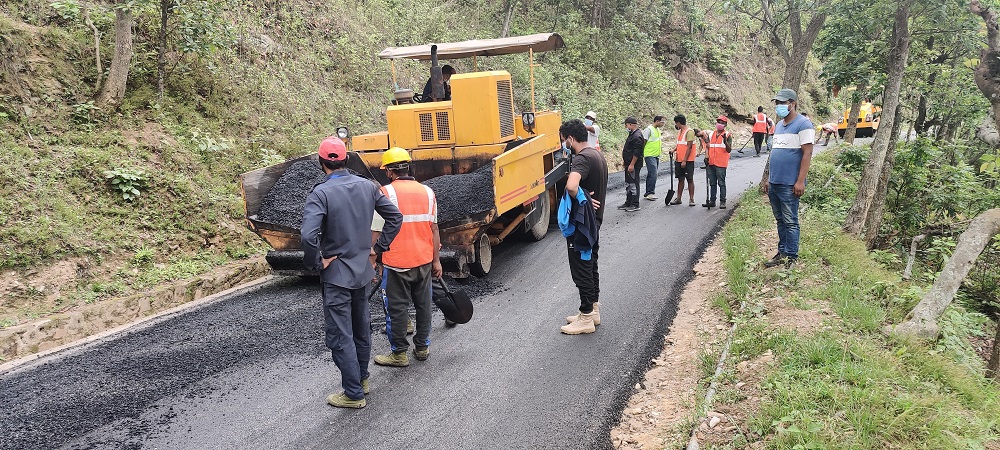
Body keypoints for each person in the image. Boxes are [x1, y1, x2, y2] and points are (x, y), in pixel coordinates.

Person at [301, 137, 403, 409]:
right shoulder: (368, 186)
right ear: (346, 159)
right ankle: (363, 379)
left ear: (322, 163)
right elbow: (395, 217)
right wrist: (377, 248)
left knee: (340, 333)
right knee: (361, 328)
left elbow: (308, 235)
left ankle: (353, 393)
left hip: (336, 276)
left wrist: (316, 264)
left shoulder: (320, 194)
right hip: (362, 272)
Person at [370, 147, 443, 368]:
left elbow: (376, 231)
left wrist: (373, 260)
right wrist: (436, 260)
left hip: (396, 262)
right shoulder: (428, 192)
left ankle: (399, 354)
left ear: (390, 172)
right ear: (408, 167)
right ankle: (422, 347)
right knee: (424, 305)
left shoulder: (385, 193)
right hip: (423, 260)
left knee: (397, 308)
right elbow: (434, 229)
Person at [559, 119, 608, 335]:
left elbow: (571, 186)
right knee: (591, 264)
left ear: (570, 138)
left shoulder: (581, 159)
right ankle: (593, 309)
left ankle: (586, 316)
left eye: (564, 141)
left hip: (582, 224)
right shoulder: (597, 154)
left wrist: (583, 198)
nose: (564, 145)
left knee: (581, 269)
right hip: (594, 222)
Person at [763, 88, 814, 270]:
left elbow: (807, 154)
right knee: (780, 220)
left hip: (790, 184)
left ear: (793, 104)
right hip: (775, 182)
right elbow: (774, 154)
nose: (779, 106)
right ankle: (782, 252)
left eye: (783, 103)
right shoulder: (777, 126)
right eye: (777, 103)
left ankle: (791, 257)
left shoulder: (804, 125)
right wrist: (769, 178)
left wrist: (800, 181)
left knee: (790, 221)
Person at [700, 115, 733, 209]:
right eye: (718, 122)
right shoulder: (711, 134)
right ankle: (712, 200)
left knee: (721, 183)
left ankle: (723, 201)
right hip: (711, 162)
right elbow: (708, 146)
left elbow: (729, 150)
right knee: (712, 183)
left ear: (725, 124)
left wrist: (725, 142)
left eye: (722, 123)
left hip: (721, 164)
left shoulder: (727, 135)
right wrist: (706, 157)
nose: (720, 124)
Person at [669, 114, 697, 206]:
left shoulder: (689, 132)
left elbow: (689, 147)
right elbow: (680, 145)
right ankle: (679, 198)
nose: (675, 125)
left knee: (689, 179)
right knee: (680, 179)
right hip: (679, 160)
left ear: (678, 123)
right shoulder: (680, 132)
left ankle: (691, 199)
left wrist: (684, 161)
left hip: (687, 161)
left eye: (675, 123)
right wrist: (673, 149)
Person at [619, 117, 645, 212]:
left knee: (633, 183)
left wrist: (632, 164)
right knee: (628, 183)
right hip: (629, 163)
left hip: (634, 165)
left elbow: (637, 152)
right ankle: (628, 202)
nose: (626, 127)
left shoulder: (637, 136)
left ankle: (635, 204)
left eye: (626, 125)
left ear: (630, 124)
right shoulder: (632, 134)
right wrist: (626, 162)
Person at [642, 116, 665, 201]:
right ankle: (650, 192)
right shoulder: (648, 130)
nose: (663, 124)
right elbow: (643, 141)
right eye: (662, 122)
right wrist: (641, 153)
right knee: (653, 173)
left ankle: (648, 192)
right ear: (657, 121)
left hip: (656, 155)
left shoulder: (657, 130)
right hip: (649, 155)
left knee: (651, 174)